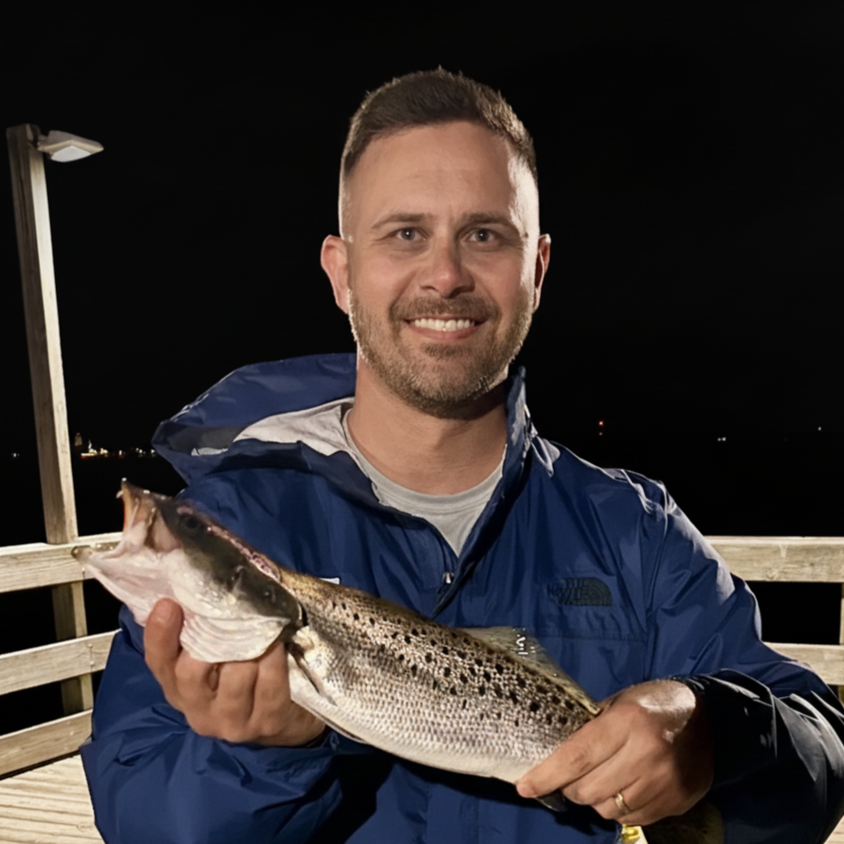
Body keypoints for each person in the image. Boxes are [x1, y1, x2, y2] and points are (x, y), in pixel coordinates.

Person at [82, 70, 844, 844]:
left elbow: (823, 750)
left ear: (536, 270)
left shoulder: (635, 532)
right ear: (342, 273)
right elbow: (138, 815)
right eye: (405, 233)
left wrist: (717, 732)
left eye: (484, 234)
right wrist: (262, 760)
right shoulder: (235, 520)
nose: (445, 276)